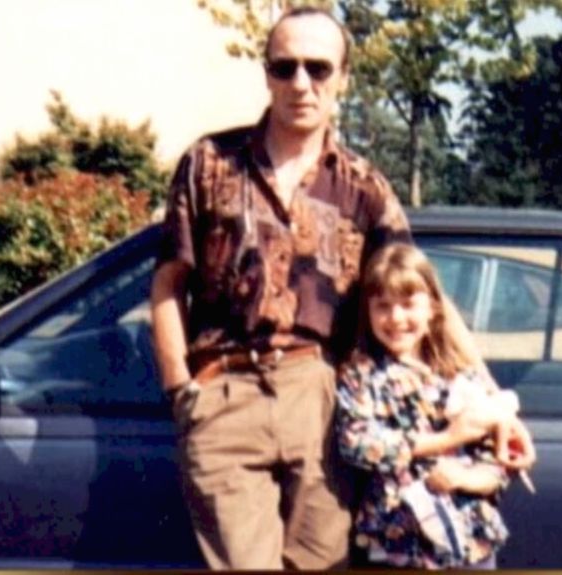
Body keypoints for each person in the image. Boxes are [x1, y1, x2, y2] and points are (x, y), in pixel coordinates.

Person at [150, 7, 412, 569]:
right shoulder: (207, 163)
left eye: (318, 68)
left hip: (322, 398)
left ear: (343, 79)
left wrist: (490, 403)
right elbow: (168, 284)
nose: (301, 83)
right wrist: (181, 391)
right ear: (266, 74)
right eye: (284, 66)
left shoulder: (364, 188)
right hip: (224, 392)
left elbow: (416, 300)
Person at [336, 243, 534, 569]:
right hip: (397, 547)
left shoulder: (462, 375)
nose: (396, 317)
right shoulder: (361, 374)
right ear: (368, 313)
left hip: (469, 543)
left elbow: (499, 465)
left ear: (433, 309)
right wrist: (447, 438)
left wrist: (462, 477)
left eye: (408, 304)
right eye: (382, 306)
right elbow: (357, 442)